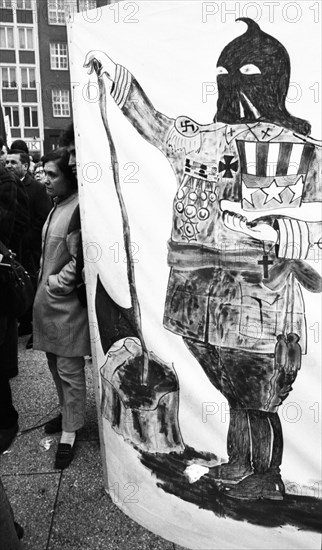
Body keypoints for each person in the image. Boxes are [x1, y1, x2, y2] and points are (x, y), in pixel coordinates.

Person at [84, 18, 322, 500]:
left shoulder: (299, 152)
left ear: (272, 80)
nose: (231, 85)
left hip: (260, 303)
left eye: (245, 74)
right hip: (197, 300)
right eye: (225, 73)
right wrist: (114, 73)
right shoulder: (201, 141)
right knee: (235, 391)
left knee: (257, 394)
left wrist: (289, 231)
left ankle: (265, 476)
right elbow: (155, 126)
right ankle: (240, 464)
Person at [33, 149, 90, 469]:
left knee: (69, 370)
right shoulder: (60, 205)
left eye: (52, 174)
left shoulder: (79, 208)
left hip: (64, 308)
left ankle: (71, 431)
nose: (45, 180)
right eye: (44, 173)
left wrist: (58, 284)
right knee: (56, 365)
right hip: (50, 306)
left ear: (69, 176)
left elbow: (79, 258)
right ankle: (68, 413)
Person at [6, 149, 52, 339]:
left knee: (31, 285)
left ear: (25, 166)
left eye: (13, 163)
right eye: (7, 162)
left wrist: (27, 241)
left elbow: (42, 218)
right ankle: (23, 322)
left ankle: (33, 325)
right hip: (11, 248)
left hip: (29, 250)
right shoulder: (6, 186)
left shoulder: (37, 189)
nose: (8, 165)